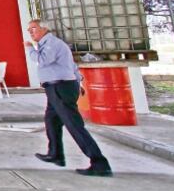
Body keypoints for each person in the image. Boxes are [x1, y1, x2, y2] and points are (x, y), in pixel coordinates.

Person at [25, 19, 113, 177]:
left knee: (74, 125)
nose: (30, 33)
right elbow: (71, 66)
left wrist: (30, 49)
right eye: (29, 30)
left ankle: (99, 163)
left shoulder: (51, 43)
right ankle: (56, 154)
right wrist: (79, 82)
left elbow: (43, 60)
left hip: (61, 88)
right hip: (55, 88)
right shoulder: (50, 44)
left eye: (33, 29)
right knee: (51, 121)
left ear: (44, 29)